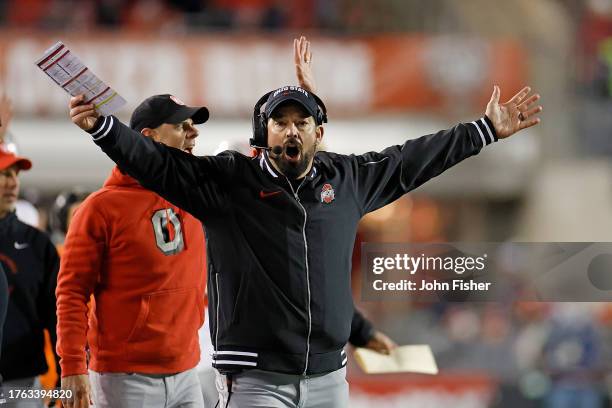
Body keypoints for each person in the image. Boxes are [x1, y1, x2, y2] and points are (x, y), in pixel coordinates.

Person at [70, 36, 513, 407]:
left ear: (319, 133)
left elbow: (411, 161)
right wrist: (103, 128)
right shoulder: (229, 182)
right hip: (255, 380)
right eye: (279, 122)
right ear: (262, 137)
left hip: (329, 378)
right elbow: (156, 163)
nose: (291, 130)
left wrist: (483, 130)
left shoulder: (346, 180)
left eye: (302, 122)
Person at [56, 94, 210, 408]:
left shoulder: (197, 194)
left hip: (189, 371)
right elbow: (72, 292)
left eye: (193, 126)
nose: (193, 133)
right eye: (182, 126)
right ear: (147, 138)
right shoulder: (99, 209)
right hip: (125, 378)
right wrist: (72, 365)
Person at [0, 144, 61, 408]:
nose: (12, 182)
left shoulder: (37, 243)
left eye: (15, 174)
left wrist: (65, 372)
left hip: (21, 382)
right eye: (3, 174)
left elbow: (57, 314)